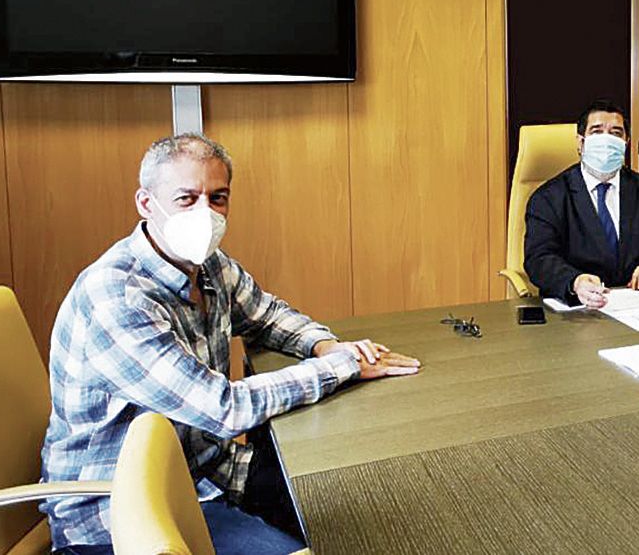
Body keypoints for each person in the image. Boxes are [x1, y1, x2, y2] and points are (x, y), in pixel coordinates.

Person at [41, 134, 421, 554]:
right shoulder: (115, 297)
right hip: (120, 515)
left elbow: (266, 315)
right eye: (186, 199)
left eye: (217, 198)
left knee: (367, 512)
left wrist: (324, 346)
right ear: (146, 204)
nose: (205, 213)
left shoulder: (207, 264)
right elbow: (223, 408)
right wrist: (343, 365)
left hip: (208, 474)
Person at [524, 99, 639, 308]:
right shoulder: (548, 198)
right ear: (581, 143)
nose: (606, 140)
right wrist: (575, 281)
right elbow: (539, 259)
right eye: (597, 132)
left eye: (616, 133)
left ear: (626, 143)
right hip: (577, 311)